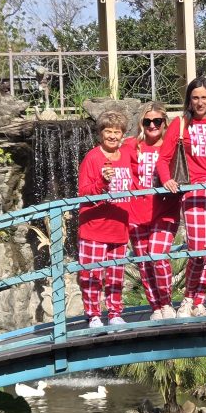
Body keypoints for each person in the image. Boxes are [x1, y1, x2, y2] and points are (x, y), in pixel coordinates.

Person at [157, 77, 206, 317]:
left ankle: (199, 301)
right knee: (197, 248)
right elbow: (163, 159)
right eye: (195, 97)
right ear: (189, 100)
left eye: (204, 98)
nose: (199, 102)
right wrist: (167, 179)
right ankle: (187, 298)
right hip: (195, 191)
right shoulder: (180, 125)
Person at [77, 110, 134, 328]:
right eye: (108, 131)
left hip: (119, 226)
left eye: (116, 132)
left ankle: (114, 312)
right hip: (95, 226)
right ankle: (93, 314)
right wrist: (102, 181)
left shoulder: (127, 155)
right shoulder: (92, 158)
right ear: (100, 134)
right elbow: (83, 193)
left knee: (116, 275)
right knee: (92, 274)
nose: (112, 136)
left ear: (122, 135)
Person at [126, 101, 180, 320]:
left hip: (165, 209)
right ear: (142, 123)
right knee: (144, 263)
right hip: (137, 212)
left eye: (157, 121)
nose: (152, 125)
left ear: (164, 122)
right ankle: (155, 306)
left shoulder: (173, 145)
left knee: (157, 256)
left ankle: (166, 302)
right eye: (147, 121)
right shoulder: (131, 145)